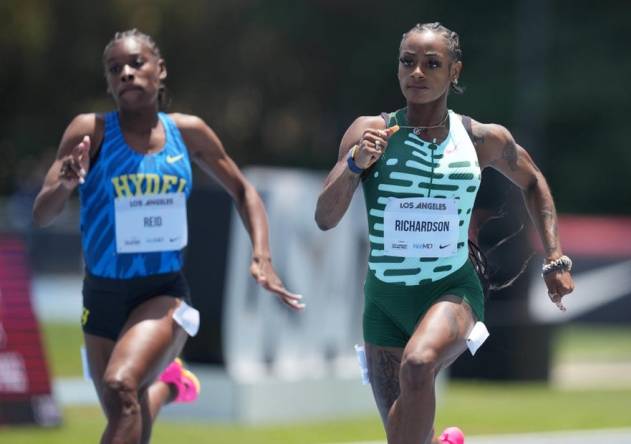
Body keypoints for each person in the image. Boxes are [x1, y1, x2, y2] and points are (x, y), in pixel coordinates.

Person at [32, 29, 304, 444]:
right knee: (129, 416)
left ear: (160, 70)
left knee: (122, 386)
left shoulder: (187, 133)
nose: (126, 73)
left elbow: (244, 190)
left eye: (136, 63)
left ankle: (160, 383)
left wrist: (261, 254)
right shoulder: (90, 132)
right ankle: (168, 386)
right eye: (115, 68)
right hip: (101, 294)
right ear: (108, 82)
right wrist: (65, 183)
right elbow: (42, 214)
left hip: (162, 292)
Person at [315, 22, 574, 444]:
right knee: (405, 436)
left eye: (432, 64)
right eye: (408, 62)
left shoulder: (479, 139)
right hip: (383, 302)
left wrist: (555, 257)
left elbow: (534, 181)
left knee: (418, 365)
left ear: (454, 71)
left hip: (451, 292)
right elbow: (325, 217)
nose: (417, 72)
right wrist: (355, 165)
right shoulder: (369, 132)